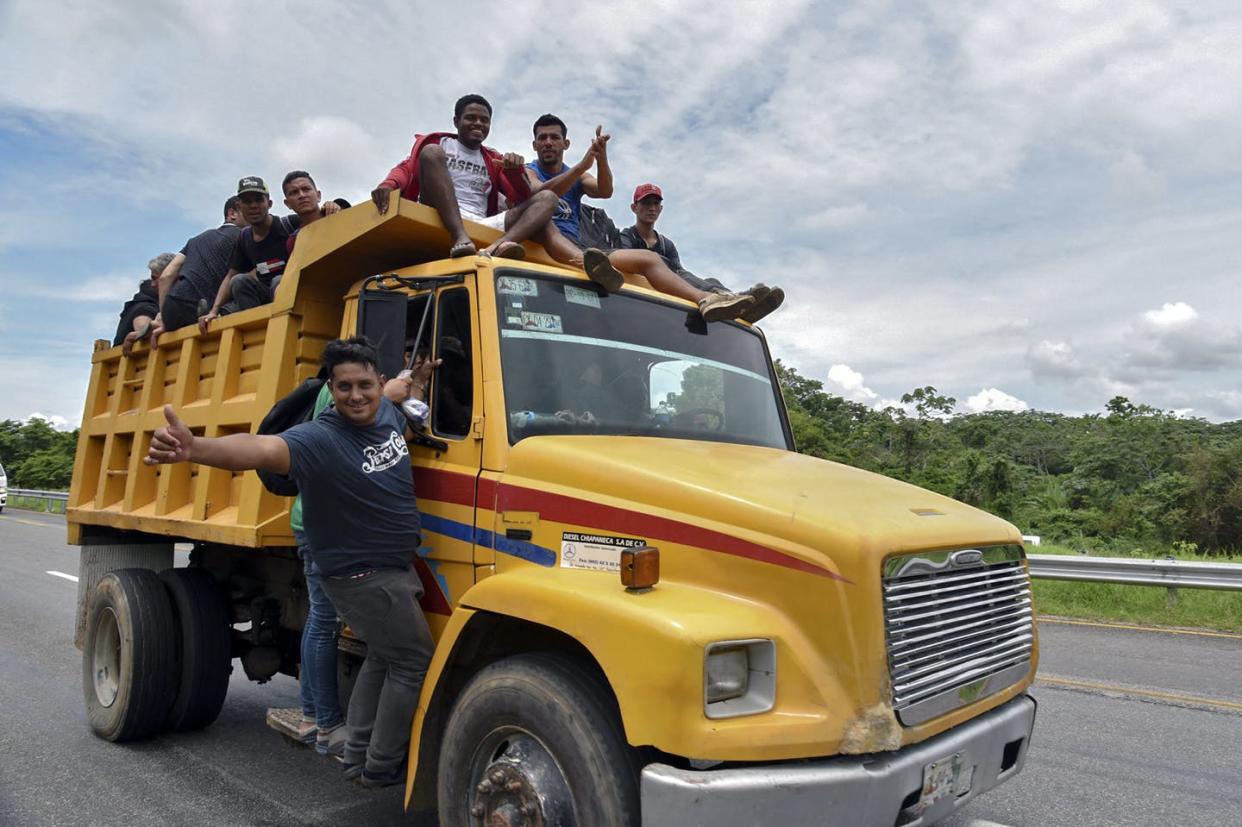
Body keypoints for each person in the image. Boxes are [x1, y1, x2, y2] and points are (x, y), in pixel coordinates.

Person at [144, 337, 438, 788]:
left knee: (386, 655)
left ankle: (359, 756)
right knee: (413, 661)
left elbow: (407, 404)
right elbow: (259, 449)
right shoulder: (319, 438)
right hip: (363, 575)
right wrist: (195, 448)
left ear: (380, 384)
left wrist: (416, 382)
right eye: (344, 387)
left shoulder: (385, 414)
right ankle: (381, 765)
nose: (355, 396)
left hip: (392, 568)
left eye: (364, 385)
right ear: (331, 390)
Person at [521, 115, 758, 323]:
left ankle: (707, 299)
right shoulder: (530, 170)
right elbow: (540, 192)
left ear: (566, 143)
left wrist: (601, 158)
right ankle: (591, 265)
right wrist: (583, 164)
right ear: (534, 144)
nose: (548, 142)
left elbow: (605, 190)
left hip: (581, 247)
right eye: (542, 138)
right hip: (548, 240)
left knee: (649, 258)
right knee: (553, 225)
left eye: (554, 137)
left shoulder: (579, 176)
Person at [370, 93, 561, 260]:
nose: (478, 123)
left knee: (548, 198)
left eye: (484, 120)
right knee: (431, 152)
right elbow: (406, 168)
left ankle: (497, 246)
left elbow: (521, 197)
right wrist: (388, 185)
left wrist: (515, 172)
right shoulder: (440, 143)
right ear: (456, 121)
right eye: (471, 118)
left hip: (481, 220)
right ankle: (460, 236)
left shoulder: (493, 159)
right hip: (440, 213)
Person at [620, 183, 784, 324]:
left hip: (668, 286)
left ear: (661, 209)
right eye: (646, 203)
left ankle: (733, 302)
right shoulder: (627, 236)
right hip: (642, 291)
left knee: (707, 279)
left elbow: (679, 274)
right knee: (676, 272)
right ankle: (723, 297)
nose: (652, 208)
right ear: (634, 208)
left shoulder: (665, 244)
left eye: (656, 203)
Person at [198, 176, 342, 333]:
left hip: (293, 296)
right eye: (247, 201)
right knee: (239, 281)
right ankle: (256, 331)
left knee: (279, 280)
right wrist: (213, 311)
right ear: (239, 207)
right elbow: (231, 275)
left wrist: (332, 205)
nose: (253, 206)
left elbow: (313, 219)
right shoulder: (244, 238)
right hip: (263, 298)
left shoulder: (288, 225)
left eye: (259, 200)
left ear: (269, 204)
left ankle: (281, 328)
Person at [289, 379, 346, 756]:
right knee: (325, 623)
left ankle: (312, 713)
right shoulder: (344, 395)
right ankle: (324, 721)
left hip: (316, 520)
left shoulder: (337, 386)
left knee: (318, 620)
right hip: (322, 524)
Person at [151, 197, 246, 341]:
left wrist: (164, 318)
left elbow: (166, 276)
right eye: (246, 208)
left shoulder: (195, 240)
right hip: (201, 311)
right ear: (232, 213)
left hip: (173, 306)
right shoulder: (243, 237)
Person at [114, 252, 176, 354]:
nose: (152, 284)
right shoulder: (144, 305)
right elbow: (143, 325)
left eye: (155, 278)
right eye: (153, 278)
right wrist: (146, 330)